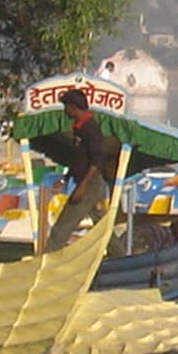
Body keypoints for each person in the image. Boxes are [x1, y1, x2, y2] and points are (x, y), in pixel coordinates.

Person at [45, 87, 121, 250]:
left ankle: (47, 263)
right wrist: (64, 180)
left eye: (66, 107)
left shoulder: (90, 128)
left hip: (90, 184)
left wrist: (82, 187)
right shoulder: (80, 128)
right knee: (102, 227)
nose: (65, 111)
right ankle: (122, 257)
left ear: (73, 107)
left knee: (61, 229)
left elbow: (97, 159)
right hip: (87, 183)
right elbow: (79, 160)